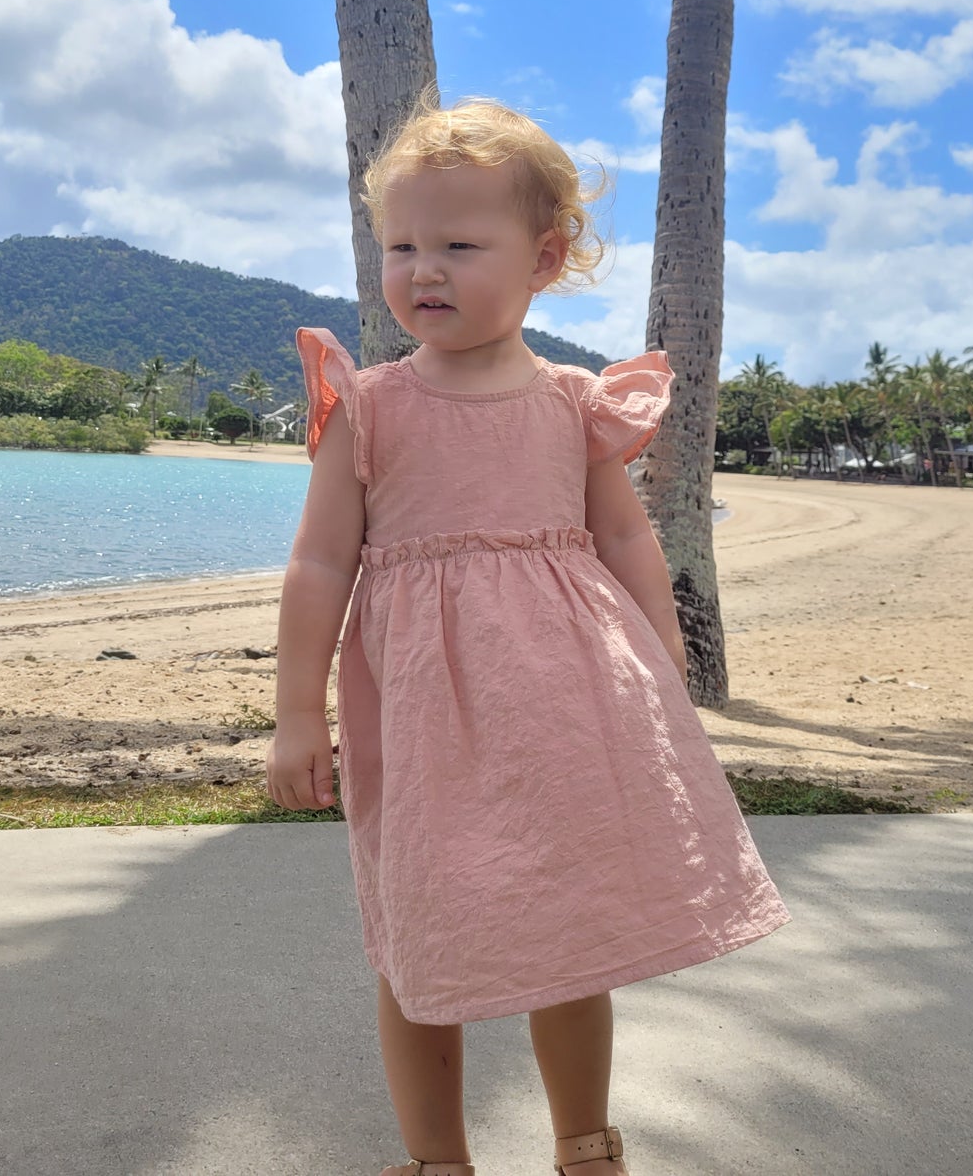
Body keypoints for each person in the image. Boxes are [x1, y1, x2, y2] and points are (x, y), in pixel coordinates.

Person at [267, 95, 790, 1176]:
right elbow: (320, 566)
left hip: (561, 707)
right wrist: (292, 715)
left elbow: (623, 536)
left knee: (566, 923)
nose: (425, 269)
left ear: (543, 258)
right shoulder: (366, 408)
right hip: (416, 713)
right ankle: (435, 1158)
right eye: (402, 245)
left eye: (459, 244)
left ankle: (583, 1142)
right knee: (416, 930)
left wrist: (660, 654)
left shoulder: (572, 402)